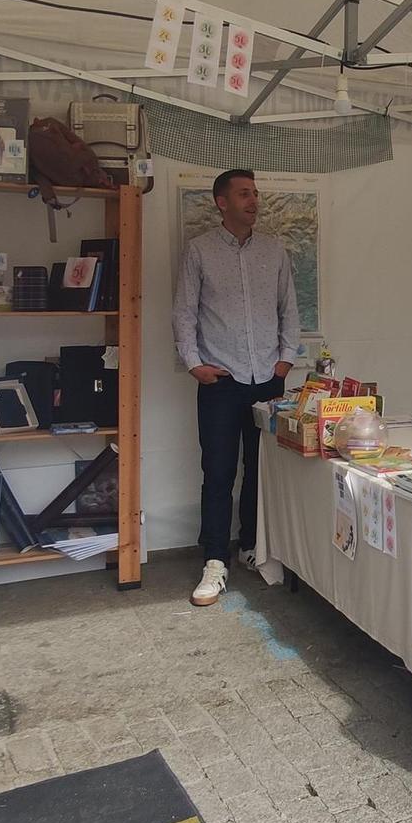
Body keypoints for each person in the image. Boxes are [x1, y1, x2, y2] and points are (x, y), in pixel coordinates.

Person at [173, 168, 300, 607]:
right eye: (244, 194)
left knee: (261, 467)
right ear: (221, 202)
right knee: (220, 472)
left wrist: (285, 360)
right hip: (221, 381)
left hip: (267, 378)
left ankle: (252, 546)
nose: (254, 200)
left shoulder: (274, 250)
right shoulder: (200, 251)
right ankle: (214, 560)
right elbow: (184, 313)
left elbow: (289, 309)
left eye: (256, 193)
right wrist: (194, 365)